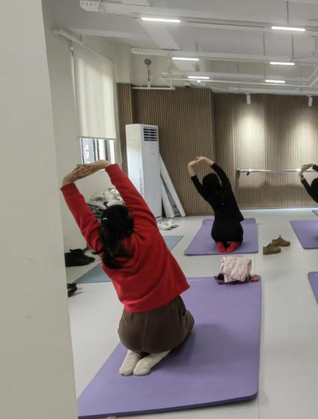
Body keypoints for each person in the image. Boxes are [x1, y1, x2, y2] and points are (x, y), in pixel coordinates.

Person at [60, 160, 194, 376]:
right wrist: (107, 166)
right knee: (188, 319)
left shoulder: (102, 246)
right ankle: (156, 354)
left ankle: (134, 352)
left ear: (104, 228)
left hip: (129, 333)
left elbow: (82, 216)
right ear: (131, 220)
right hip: (164, 331)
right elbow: (132, 196)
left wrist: (67, 183)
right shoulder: (147, 231)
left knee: (138, 332)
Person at [189, 156, 244, 253]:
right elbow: (220, 172)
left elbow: (196, 183)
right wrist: (205, 159)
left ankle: (219, 243)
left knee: (218, 236)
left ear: (205, 187)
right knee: (238, 236)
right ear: (218, 182)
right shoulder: (227, 189)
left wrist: (189, 166)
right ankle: (234, 243)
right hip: (234, 232)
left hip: (217, 233)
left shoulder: (208, 195)